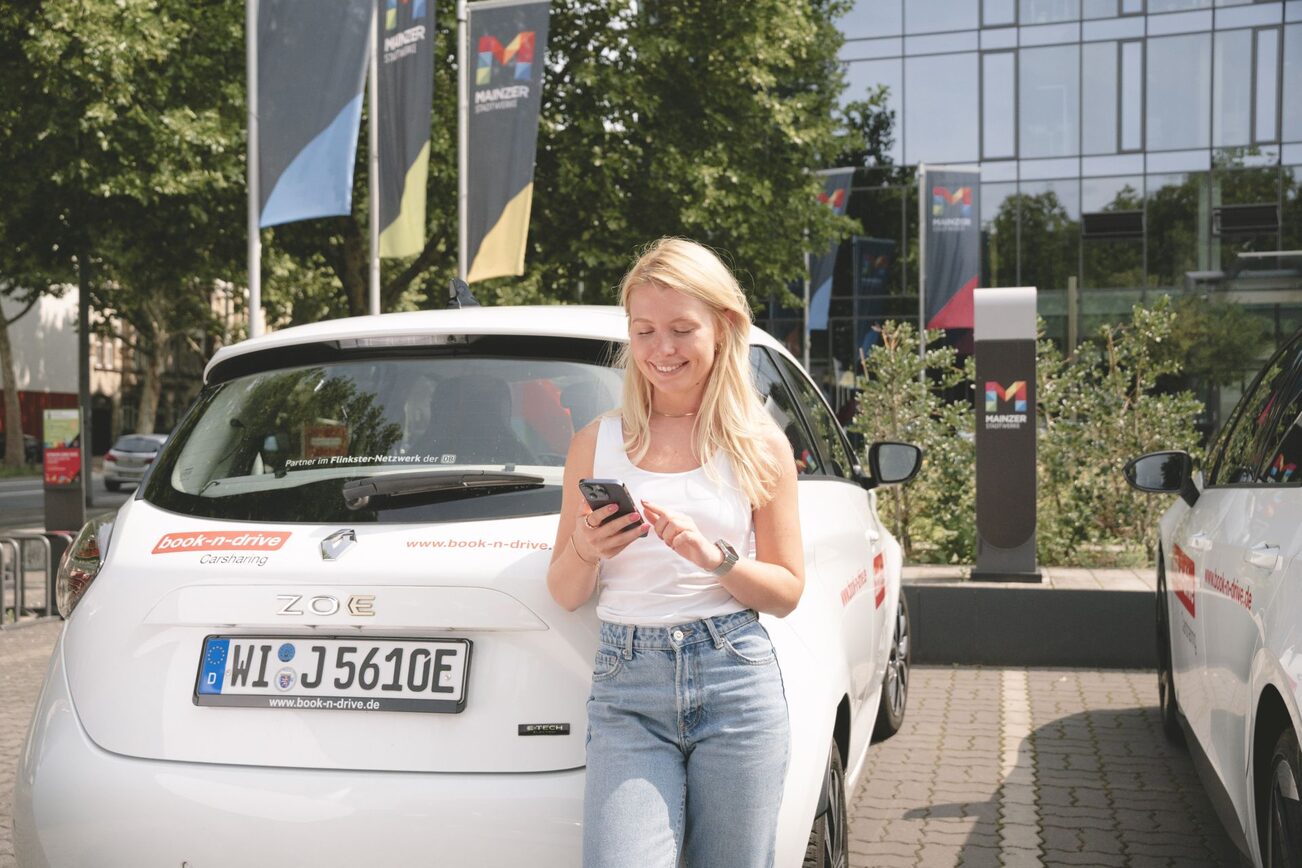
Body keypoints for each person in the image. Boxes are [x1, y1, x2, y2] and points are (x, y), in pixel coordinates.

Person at [546, 238, 805, 868]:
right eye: (645, 331)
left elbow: (788, 591)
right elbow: (565, 590)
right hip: (627, 687)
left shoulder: (759, 446)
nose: (662, 349)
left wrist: (715, 557)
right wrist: (585, 546)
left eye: (682, 329)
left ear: (724, 327)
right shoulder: (595, 442)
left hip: (734, 679)